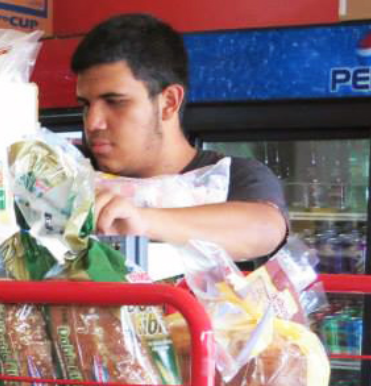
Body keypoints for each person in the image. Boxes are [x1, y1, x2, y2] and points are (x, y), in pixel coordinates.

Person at [71, 14, 288, 261]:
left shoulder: (235, 175)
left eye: (115, 102)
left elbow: (265, 228)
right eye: (86, 105)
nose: (92, 122)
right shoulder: (73, 176)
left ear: (169, 103)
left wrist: (141, 218)